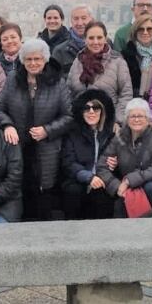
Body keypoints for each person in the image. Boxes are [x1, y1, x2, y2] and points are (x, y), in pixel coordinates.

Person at [0, 39, 73, 221]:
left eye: (37, 59)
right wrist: (8, 125)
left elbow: (69, 116)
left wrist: (47, 130)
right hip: (18, 146)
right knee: (21, 189)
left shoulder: (57, 82)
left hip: (47, 147)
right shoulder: (13, 78)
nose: (33, 63)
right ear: (22, 60)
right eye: (28, 59)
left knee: (44, 192)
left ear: (45, 59)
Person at [99, 98, 152, 219]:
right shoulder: (119, 137)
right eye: (132, 116)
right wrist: (116, 185)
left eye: (140, 116)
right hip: (126, 187)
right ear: (127, 119)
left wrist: (129, 181)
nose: (136, 119)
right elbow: (101, 165)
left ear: (148, 119)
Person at [60, 90, 117, 220]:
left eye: (96, 108)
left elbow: (119, 158)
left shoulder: (111, 134)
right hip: (77, 179)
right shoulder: (72, 134)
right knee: (73, 192)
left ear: (102, 111)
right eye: (87, 108)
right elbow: (68, 163)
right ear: (81, 111)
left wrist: (115, 163)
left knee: (104, 195)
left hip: (103, 178)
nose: (91, 112)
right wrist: (89, 177)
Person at [68, 21, 135, 119]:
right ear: (85, 40)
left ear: (105, 39)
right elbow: (69, 93)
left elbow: (126, 94)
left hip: (108, 122)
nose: (95, 42)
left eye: (99, 38)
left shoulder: (118, 62)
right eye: (91, 38)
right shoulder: (78, 61)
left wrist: (117, 121)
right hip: (80, 123)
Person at [120, 14, 152, 99]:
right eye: (141, 29)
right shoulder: (125, 56)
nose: (145, 32)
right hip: (134, 102)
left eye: (149, 29)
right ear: (135, 32)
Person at [51, 4, 94, 74]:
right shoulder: (60, 51)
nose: (80, 23)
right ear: (71, 21)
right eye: (76, 19)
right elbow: (53, 80)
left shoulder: (104, 45)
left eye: (83, 18)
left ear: (91, 19)